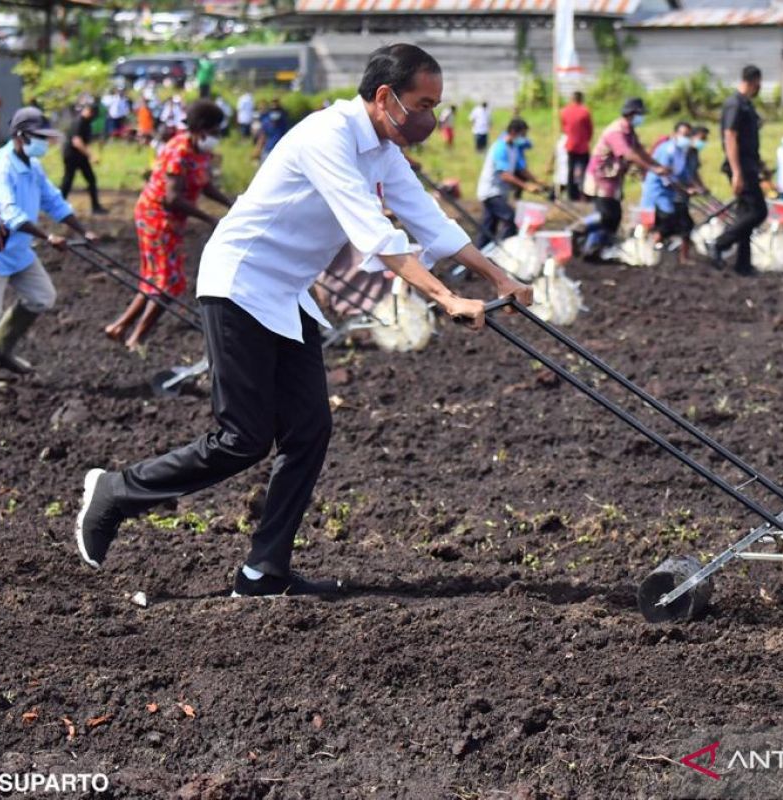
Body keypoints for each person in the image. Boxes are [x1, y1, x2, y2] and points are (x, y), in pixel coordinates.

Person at [75, 44, 532, 598]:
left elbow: (430, 223)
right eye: (423, 102)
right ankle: (119, 491)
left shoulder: (382, 150)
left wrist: (498, 278)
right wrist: (443, 296)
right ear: (385, 97)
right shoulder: (328, 136)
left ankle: (264, 570)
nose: (430, 116)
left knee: (309, 429)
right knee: (243, 438)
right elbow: (377, 237)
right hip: (240, 281)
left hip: (287, 293)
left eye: (436, 104)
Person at [0, 107, 97, 393]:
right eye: (40, 137)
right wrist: (48, 238)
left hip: (17, 251)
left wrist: (83, 230)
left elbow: (53, 200)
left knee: (41, 297)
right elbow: (9, 213)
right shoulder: (0, 167)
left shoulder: (32, 166)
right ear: (21, 136)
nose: (45, 143)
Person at [105, 101, 233, 350]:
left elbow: (204, 185)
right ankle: (137, 337)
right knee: (169, 282)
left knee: (155, 278)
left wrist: (232, 204)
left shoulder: (199, 151)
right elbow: (171, 198)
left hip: (170, 219)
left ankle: (119, 327)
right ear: (202, 130)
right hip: (156, 216)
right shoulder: (179, 150)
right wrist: (209, 219)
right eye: (216, 132)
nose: (217, 138)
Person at [582, 97, 668, 257]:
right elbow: (628, 154)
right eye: (639, 114)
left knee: (615, 215)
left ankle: (602, 245)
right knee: (605, 214)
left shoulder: (629, 131)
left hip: (613, 179)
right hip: (601, 177)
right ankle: (583, 232)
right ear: (631, 114)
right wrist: (651, 168)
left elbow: (640, 150)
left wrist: (657, 166)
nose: (641, 118)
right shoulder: (616, 131)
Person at [708, 65, 767, 276]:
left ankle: (743, 264)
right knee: (758, 212)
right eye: (759, 84)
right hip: (741, 167)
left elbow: (749, 139)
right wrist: (737, 172)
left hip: (749, 164)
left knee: (745, 214)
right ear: (753, 81)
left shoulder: (746, 105)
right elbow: (730, 136)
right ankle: (719, 244)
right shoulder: (735, 104)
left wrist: (760, 165)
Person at [641, 121, 708, 265]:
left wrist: (698, 188)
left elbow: (687, 174)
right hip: (659, 192)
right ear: (675, 134)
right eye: (684, 135)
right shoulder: (668, 150)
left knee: (685, 224)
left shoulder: (682, 152)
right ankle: (650, 247)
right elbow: (666, 176)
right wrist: (685, 189)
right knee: (669, 221)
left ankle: (681, 257)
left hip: (674, 192)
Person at [475, 117, 543, 248]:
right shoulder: (500, 147)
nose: (524, 138)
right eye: (522, 135)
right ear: (513, 131)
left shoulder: (513, 148)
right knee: (511, 218)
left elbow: (521, 170)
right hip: (491, 191)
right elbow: (504, 175)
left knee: (488, 228)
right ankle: (504, 248)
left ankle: (480, 255)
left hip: (499, 192)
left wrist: (537, 181)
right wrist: (526, 186)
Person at [60, 101, 108, 215]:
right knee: (68, 181)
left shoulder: (87, 122)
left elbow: (85, 138)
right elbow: (77, 141)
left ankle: (95, 207)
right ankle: (59, 205)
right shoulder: (79, 122)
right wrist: (91, 155)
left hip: (80, 156)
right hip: (72, 155)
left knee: (91, 179)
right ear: (89, 111)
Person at [559, 90, 593, 201]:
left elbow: (563, 128)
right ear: (581, 99)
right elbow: (590, 129)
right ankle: (584, 193)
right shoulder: (585, 111)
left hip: (570, 145)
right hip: (583, 145)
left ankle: (570, 194)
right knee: (585, 170)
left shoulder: (564, 111)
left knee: (570, 170)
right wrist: (586, 139)